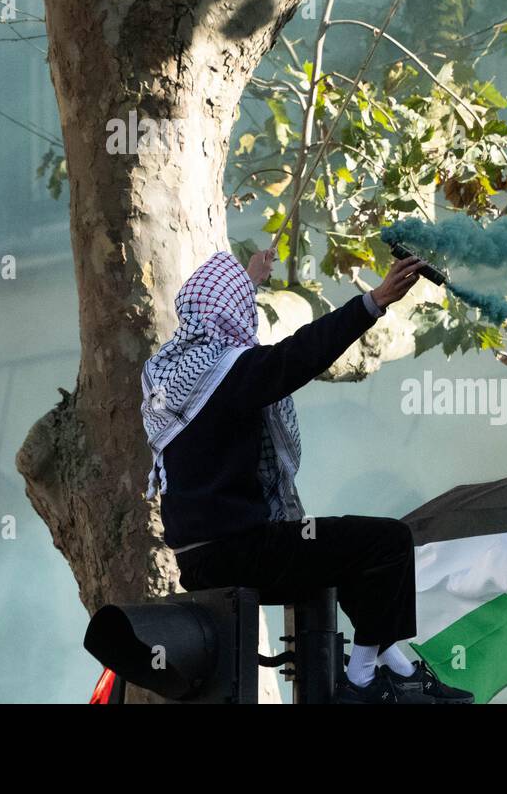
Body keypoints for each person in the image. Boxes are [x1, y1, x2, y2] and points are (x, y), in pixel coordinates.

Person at [140, 246, 473, 704]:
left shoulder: (167, 372)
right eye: (243, 306)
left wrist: (248, 277)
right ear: (231, 314)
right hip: (241, 552)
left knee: (349, 560)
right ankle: (358, 682)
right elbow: (299, 356)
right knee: (387, 542)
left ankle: (400, 667)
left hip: (199, 562)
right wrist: (373, 302)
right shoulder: (229, 375)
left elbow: (222, 317)